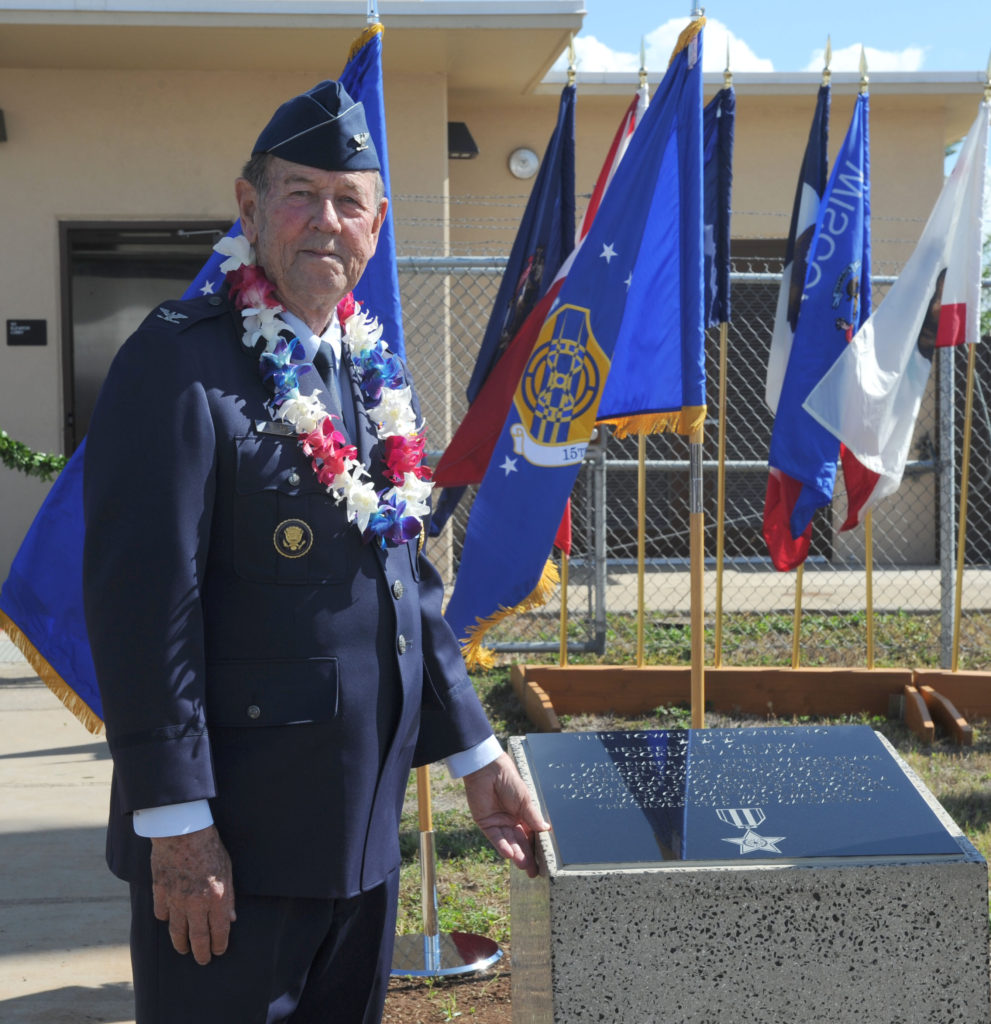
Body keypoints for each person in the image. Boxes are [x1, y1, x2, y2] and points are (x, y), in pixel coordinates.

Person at [82, 79, 549, 1024]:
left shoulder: (370, 372)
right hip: (229, 851)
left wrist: (475, 756)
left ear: (376, 227)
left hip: (361, 840)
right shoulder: (179, 363)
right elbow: (141, 605)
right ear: (250, 207)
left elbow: (404, 580)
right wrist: (177, 828)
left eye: (350, 202)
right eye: (300, 194)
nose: (325, 221)